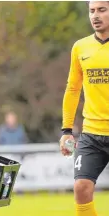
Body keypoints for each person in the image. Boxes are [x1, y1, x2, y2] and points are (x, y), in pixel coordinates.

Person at [60, 1, 109, 216]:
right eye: (92, 11)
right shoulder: (80, 47)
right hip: (91, 134)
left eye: (102, 10)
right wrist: (66, 130)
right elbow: (72, 89)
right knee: (81, 187)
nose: (95, 16)